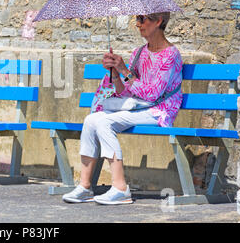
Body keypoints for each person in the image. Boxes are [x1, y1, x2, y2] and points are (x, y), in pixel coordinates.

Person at [62, 12, 183, 205]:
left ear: (158, 21)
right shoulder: (139, 53)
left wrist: (124, 70)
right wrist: (115, 73)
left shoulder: (171, 55)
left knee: (104, 122)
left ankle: (120, 188)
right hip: (137, 107)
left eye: (142, 19)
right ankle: (84, 186)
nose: (137, 24)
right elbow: (123, 91)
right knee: (91, 119)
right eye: (137, 19)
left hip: (159, 110)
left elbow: (153, 94)